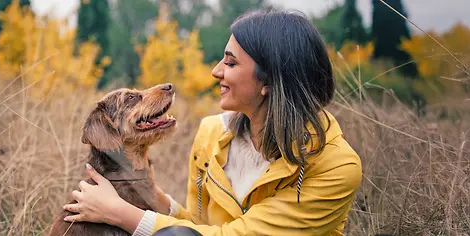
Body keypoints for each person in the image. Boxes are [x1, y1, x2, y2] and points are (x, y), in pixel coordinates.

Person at [63, 9, 362, 235]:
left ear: (269, 80)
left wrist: (121, 214)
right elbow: (198, 226)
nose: (216, 71)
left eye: (231, 63)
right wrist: (156, 199)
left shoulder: (336, 168)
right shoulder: (211, 134)